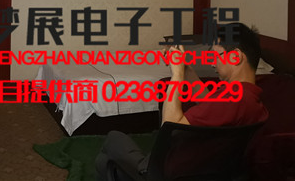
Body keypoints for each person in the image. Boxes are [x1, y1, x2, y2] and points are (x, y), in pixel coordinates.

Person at [95, 23, 269, 180]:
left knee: (112, 140)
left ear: (236, 57)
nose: (212, 63)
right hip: (206, 168)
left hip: (171, 171)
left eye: (215, 56)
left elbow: (169, 126)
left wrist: (177, 74)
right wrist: (185, 67)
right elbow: (208, 102)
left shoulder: (231, 99)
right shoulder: (248, 98)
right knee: (108, 162)